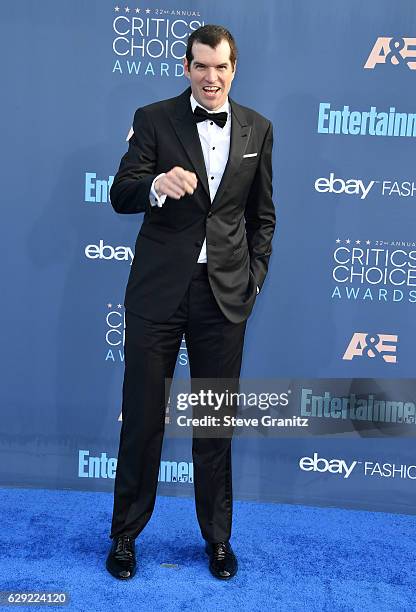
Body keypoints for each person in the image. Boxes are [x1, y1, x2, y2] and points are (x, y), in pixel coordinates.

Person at [106, 24, 276, 581]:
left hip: (223, 296)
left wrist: (252, 280)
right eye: (201, 66)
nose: (211, 77)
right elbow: (120, 194)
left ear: (234, 69)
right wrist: (156, 182)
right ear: (186, 67)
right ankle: (126, 535)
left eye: (221, 67)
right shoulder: (154, 118)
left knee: (213, 423)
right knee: (144, 422)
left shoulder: (258, 128)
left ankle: (218, 540)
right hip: (158, 293)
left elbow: (261, 217)